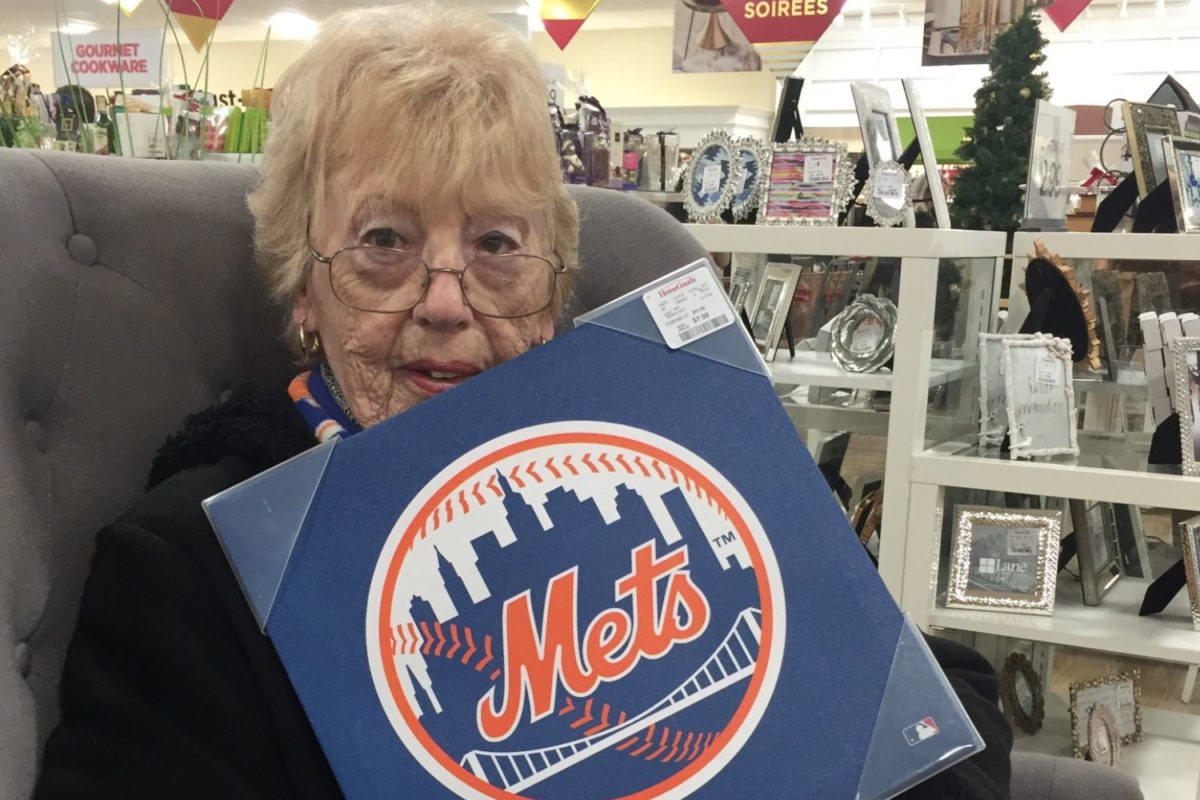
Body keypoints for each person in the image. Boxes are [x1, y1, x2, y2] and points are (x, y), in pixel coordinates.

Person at [35, 5, 1009, 799]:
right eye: (385, 241)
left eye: (497, 244)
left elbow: (937, 706)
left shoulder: (664, 464)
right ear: (305, 289)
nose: (448, 300)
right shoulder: (199, 560)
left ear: (553, 285)